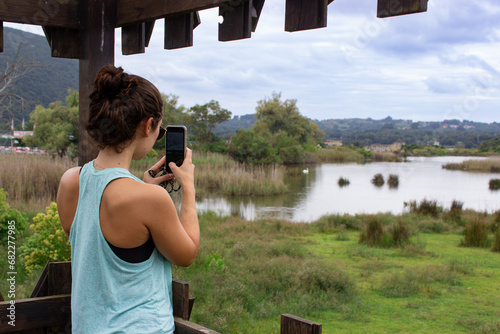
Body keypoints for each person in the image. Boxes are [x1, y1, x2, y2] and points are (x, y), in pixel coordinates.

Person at [56, 64, 199, 334]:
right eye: (160, 129)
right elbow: (187, 254)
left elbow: (100, 253)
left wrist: (142, 185)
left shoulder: (70, 181)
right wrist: (188, 189)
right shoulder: (150, 200)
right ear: (147, 126)